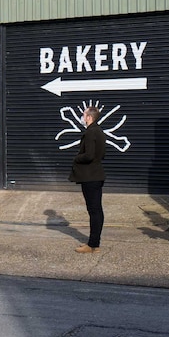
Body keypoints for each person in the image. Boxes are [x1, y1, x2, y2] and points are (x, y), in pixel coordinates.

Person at [69, 106, 106, 253]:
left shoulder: (91, 132)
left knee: (94, 210)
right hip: (97, 174)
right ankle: (94, 242)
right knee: (96, 210)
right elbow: (102, 154)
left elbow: (89, 155)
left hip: (90, 177)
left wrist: (76, 158)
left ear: (89, 117)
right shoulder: (100, 131)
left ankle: (92, 244)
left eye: (83, 114)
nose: (82, 117)